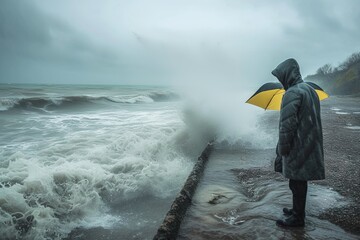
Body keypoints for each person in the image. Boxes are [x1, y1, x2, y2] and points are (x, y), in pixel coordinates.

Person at [272, 58, 325, 227]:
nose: (280, 81)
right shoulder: (310, 90)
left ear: (287, 75)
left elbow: (287, 125)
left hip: (298, 145)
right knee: (299, 181)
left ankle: (297, 218)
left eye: (281, 77)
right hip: (309, 141)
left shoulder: (292, 93)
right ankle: (297, 211)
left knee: (296, 182)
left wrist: (282, 149)